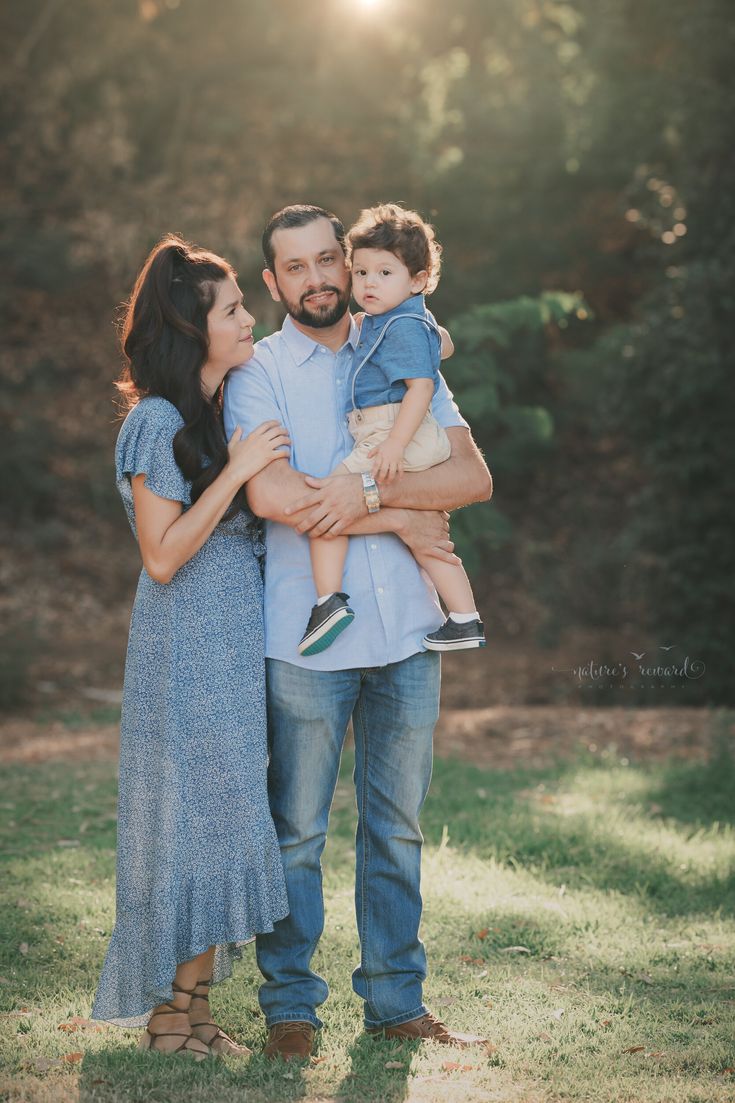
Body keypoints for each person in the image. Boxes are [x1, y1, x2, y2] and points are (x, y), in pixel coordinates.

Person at [224, 204, 493, 1060]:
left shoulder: (401, 338)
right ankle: (291, 1009)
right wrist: (402, 520)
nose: (316, 278)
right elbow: (271, 498)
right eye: (292, 266)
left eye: (326, 259)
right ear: (272, 283)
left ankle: (395, 1001)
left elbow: (470, 476)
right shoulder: (258, 372)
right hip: (308, 638)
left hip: (411, 628)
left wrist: (371, 504)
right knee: (295, 828)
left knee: (396, 825)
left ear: (350, 262)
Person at [91, 234, 291, 1059]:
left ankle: (194, 1012)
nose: (250, 318)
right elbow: (163, 554)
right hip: (185, 653)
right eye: (235, 308)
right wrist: (237, 472)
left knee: (223, 822)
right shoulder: (158, 420)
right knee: (197, 824)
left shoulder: (215, 414)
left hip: (234, 648)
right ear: (191, 327)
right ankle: (173, 1015)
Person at [299, 203, 486, 657]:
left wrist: (394, 447)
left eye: (384, 273)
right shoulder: (400, 318)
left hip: (393, 430)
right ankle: (465, 617)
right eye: (360, 272)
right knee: (430, 538)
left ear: (419, 280)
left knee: (326, 511)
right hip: (397, 430)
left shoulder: (400, 324)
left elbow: (421, 387)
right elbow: (440, 343)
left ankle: (327, 602)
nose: (368, 284)